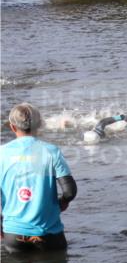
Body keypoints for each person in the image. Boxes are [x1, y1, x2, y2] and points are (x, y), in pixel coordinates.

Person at [1, 104, 77, 253]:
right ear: (40, 124)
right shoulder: (51, 151)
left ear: (12, 127)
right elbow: (70, 191)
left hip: (14, 235)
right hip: (49, 235)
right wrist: (63, 202)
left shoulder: (1, 154)